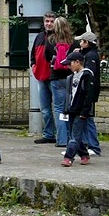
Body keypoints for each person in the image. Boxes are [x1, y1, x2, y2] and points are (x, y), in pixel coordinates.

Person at [62, 50, 96, 167]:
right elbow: (69, 94)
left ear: (77, 62)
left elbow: (89, 95)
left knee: (74, 136)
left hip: (81, 110)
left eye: (70, 63)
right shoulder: (71, 77)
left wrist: (85, 111)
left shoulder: (87, 75)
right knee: (75, 134)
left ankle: (68, 157)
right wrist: (66, 109)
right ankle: (84, 154)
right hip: (72, 109)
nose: (68, 66)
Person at [74, 30, 102, 156]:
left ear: (87, 43)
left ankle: (94, 146)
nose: (80, 43)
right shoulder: (88, 54)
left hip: (88, 92)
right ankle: (85, 145)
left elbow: (89, 74)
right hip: (87, 91)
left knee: (88, 118)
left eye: (81, 41)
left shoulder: (91, 56)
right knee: (84, 119)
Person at [31, 12, 58, 144]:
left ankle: (62, 134)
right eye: (47, 21)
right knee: (45, 109)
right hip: (41, 76)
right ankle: (48, 134)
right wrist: (33, 66)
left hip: (55, 77)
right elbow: (33, 54)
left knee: (59, 107)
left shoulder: (58, 38)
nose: (49, 23)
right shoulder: (39, 37)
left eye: (51, 21)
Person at [49, 16, 75, 148]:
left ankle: (62, 139)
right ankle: (71, 137)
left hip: (56, 77)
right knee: (69, 108)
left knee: (58, 108)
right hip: (70, 77)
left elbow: (46, 57)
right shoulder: (72, 42)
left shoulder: (51, 40)